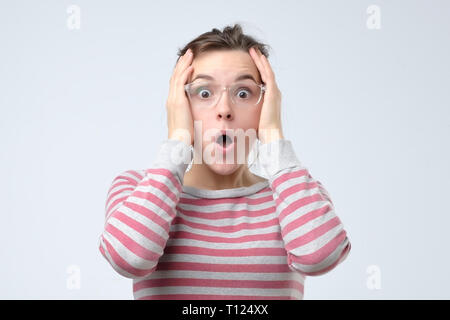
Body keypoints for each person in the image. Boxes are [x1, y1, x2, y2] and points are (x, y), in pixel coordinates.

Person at [98, 24, 351, 300]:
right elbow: (129, 259)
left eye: (243, 93)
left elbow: (320, 256)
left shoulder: (295, 193)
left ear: (266, 106)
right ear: (180, 104)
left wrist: (274, 137)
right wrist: (179, 139)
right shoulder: (135, 188)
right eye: (204, 93)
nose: (224, 110)